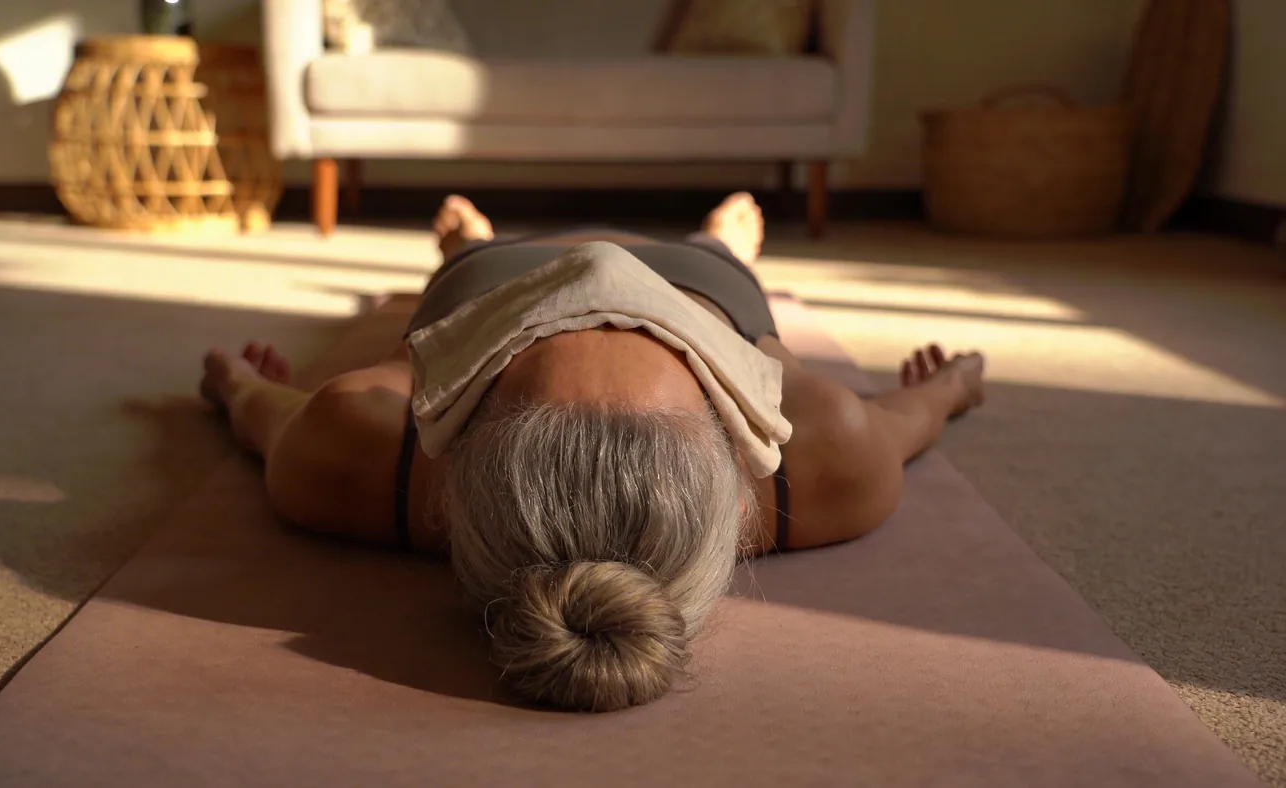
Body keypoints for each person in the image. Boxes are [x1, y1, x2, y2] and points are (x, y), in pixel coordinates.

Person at [199, 192, 985, 713]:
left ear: (462, 448)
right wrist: (951, 386)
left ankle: (462, 247)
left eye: (557, 344)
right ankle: (721, 242)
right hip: (701, 284)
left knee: (441, 280)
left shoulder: (371, 440)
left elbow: (264, 419)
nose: (605, 287)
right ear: (735, 476)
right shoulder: (810, 455)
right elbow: (906, 421)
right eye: (645, 345)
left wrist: (236, 386)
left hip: (492, 284)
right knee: (729, 257)